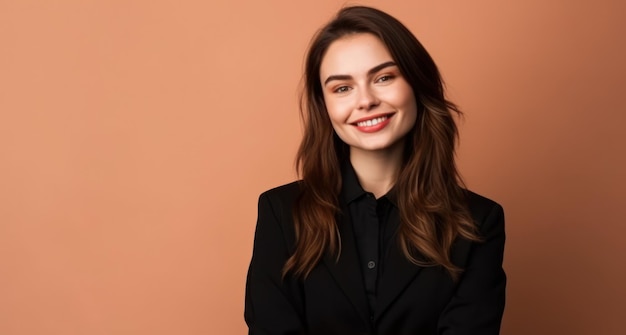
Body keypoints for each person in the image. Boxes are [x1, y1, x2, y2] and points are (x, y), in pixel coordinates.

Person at [244, 5, 506, 335]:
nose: (365, 100)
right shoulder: (281, 213)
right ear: (324, 106)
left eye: (383, 78)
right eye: (342, 87)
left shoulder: (479, 221)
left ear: (416, 84)